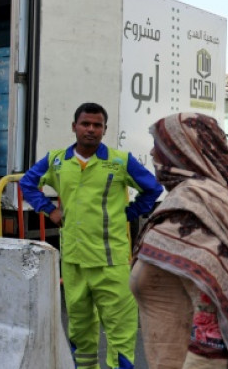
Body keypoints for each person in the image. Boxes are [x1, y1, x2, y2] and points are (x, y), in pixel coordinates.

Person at [19, 102, 163, 369]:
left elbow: (152, 189)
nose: (91, 129)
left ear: (104, 130)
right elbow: (27, 183)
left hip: (111, 264)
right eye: (85, 124)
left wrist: (128, 213)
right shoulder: (57, 160)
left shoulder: (120, 162)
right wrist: (49, 210)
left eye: (97, 125)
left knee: (120, 332)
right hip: (74, 262)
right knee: (80, 331)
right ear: (74, 127)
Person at [131, 113, 228, 367]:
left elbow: (211, 320)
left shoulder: (192, 205)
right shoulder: (218, 194)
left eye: (159, 145)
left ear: (181, 150)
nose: (151, 152)